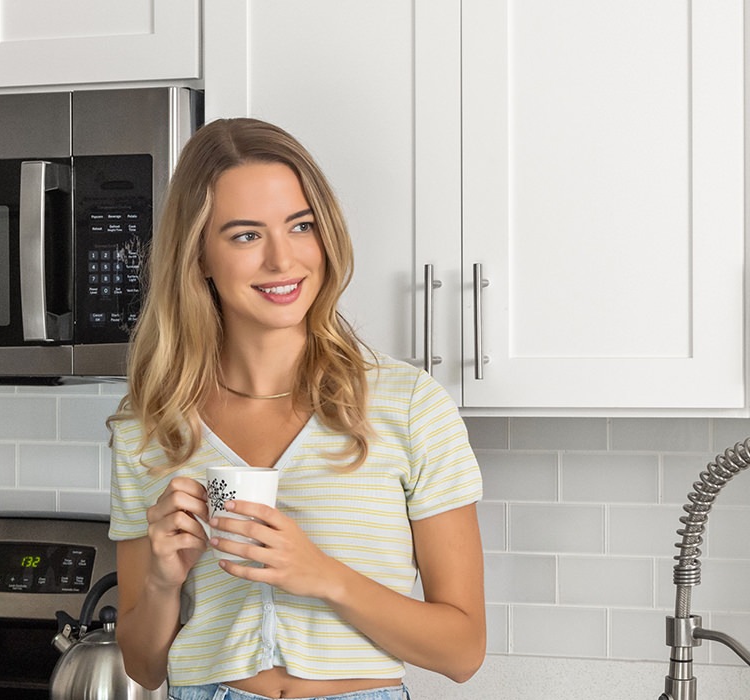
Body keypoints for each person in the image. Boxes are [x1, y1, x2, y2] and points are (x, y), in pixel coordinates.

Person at [108, 117, 486, 700]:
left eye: (300, 226)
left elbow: (462, 652)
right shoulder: (150, 425)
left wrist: (323, 575)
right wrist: (162, 581)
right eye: (245, 235)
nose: (283, 261)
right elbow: (143, 666)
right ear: (200, 257)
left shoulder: (407, 405)